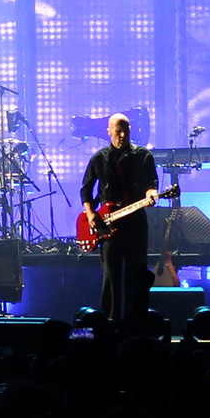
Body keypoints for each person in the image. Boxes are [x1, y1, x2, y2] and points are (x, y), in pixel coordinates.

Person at [80, 113, 160, 322]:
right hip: (108, 225)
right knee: (111, 277)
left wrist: (151, 193)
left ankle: (136, 322)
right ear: (109, 132)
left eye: (126, 131)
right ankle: (110, 322)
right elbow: (86, 190)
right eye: (118, 131)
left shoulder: (143, 156)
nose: (122, 135)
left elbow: (151, 183)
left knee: (138, 274)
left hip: (135, 222)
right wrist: (90, 214)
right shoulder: (99, 158)